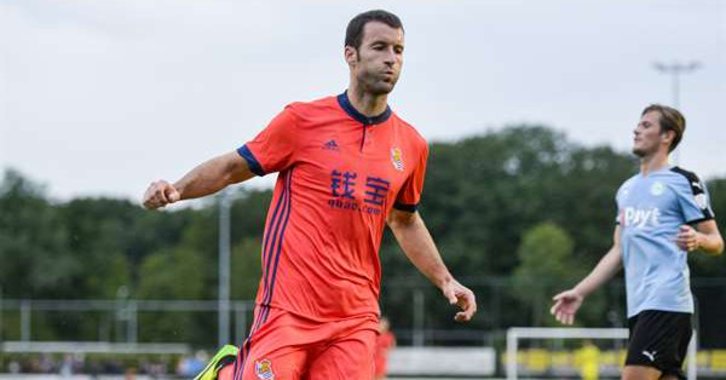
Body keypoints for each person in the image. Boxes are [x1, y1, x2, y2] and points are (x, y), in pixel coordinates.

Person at [142, 9, 477, 380]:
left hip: (355, 318)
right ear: (350, 54)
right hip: (288, 307)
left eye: (399, 50)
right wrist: (177, 189)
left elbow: (405, 219)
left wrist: (446, 279)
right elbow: (231, 167)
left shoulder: (411, 145)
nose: (391, 59)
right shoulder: (302, 121)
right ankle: (227, 371)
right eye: (379, 47)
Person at [550, 104, 723, 380]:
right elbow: (619, 250)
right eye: (638, 125)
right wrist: (580, 291)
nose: (636, 130)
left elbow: (716, 241)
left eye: (646, 125)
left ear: (667, 136)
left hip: (666, 302)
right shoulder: (627, 190)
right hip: (640, 306)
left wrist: (699, 238)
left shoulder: (683, 181)